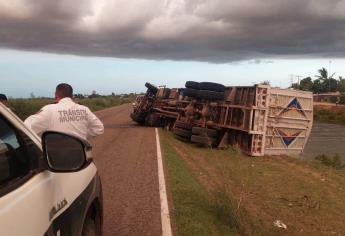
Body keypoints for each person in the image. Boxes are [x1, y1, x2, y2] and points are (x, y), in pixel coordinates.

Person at [24, 83, 104, 140]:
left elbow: (26, 127)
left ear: (56, 94)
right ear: (72, 95)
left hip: (56, 159)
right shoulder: (84, 109)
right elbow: (99, 128)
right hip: (81, 157)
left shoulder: (49, 110)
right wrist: (82, 136)